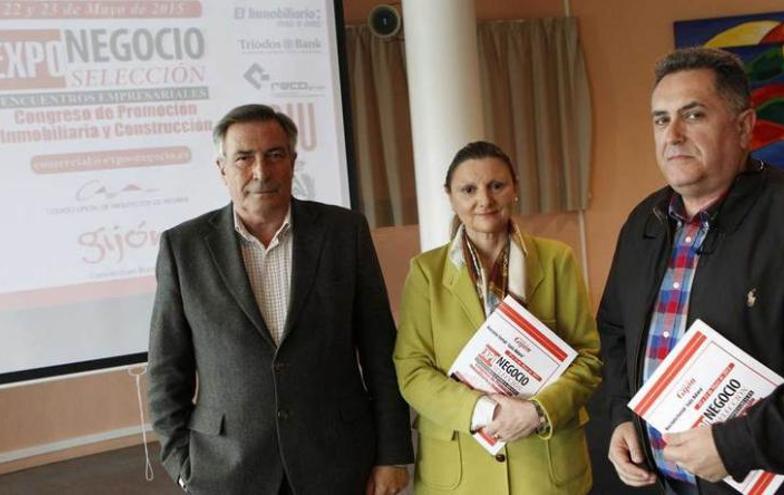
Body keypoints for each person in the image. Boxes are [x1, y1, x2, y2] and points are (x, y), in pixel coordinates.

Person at [599, 47, 784, 494]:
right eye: (660, 119)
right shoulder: (642, 224)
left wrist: (739, 444)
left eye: (692, 116)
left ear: (745, 127)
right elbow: (615, 333)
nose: (672, 135)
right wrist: (621, 415)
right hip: (673, 484)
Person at [147, 104, 413, 495]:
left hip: (337, 459)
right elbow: (168, 368)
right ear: (222, 168)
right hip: (227, 467)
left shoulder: (343, 232)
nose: (260, 171)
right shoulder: (183, 247)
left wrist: (391, 454)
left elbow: (379, 350)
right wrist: (183, 464)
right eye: (243, 158)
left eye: (274, 155)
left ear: (292, 161)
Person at [393, 141, 603, 494]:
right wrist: (484, 412)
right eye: (468, 189)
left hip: (546, 466)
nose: (484, 200)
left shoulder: (556, 261)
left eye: (496, 186)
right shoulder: (426, 272)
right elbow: (411, 370)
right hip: (459, 473)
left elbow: (588, 359)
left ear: (515, 189)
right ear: (450, 196)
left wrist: (537, 410)